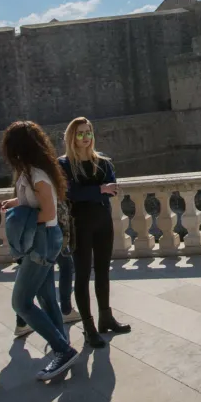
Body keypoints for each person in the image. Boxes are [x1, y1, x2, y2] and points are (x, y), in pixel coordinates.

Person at [0, 121, 80, 381]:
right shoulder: (32, 173)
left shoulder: (37, 176)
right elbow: (35, 202)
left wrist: (20, 218)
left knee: (21, 302)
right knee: (45, 295)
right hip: (42, 239)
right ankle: (61, 344)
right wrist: (15, 203)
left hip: (42, 240)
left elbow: (48, 212)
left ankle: (62, 349)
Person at [59, 116, 130, 348]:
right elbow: (72, 193)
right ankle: (88, 327)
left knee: (102, 271)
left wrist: (96, 191)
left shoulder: (103, 162)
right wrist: (100, 189)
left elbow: (112, 189)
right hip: (79, 224)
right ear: (72, 136)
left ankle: (106, 317)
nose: (85, 137)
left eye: (88, 132)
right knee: (81, 275)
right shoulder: (64, 165)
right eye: (80, 133)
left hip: (102, 221)